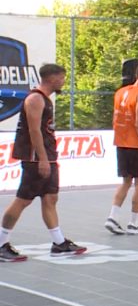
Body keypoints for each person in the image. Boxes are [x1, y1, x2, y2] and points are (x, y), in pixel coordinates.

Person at [0, 64, 87, 262]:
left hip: (47, 155)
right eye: (61, 78)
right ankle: (1, 243)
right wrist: (43, 159)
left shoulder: (46, 100)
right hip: (35, 158)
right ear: (51, 78)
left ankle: (59, 243)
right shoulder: (35, 99)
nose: (63, 81)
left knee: (50, 198)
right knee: (23, 200)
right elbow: (34, 131)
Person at [105, 64, 138, 235]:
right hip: (135, 143)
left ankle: (113, 217)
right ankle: (133, 223)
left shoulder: (120, 92)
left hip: (121, 142)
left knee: (126, 182)